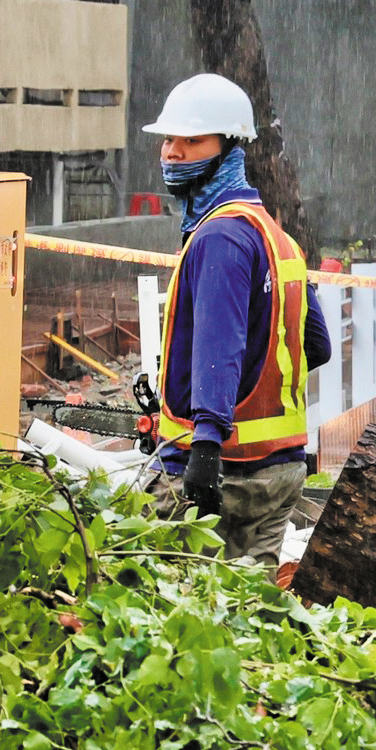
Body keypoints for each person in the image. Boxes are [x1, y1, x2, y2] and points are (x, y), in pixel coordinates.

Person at [146, 74, 331, 565]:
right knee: (251, 618)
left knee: (176, 620)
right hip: (280, 471)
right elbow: (317, 346)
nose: (172, 152)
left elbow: (218, 349)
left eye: (192, 140)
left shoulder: (220, 238)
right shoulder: (276, 236)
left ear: (230, 147)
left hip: (225, 475)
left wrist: (206, 443)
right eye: (169, 139)